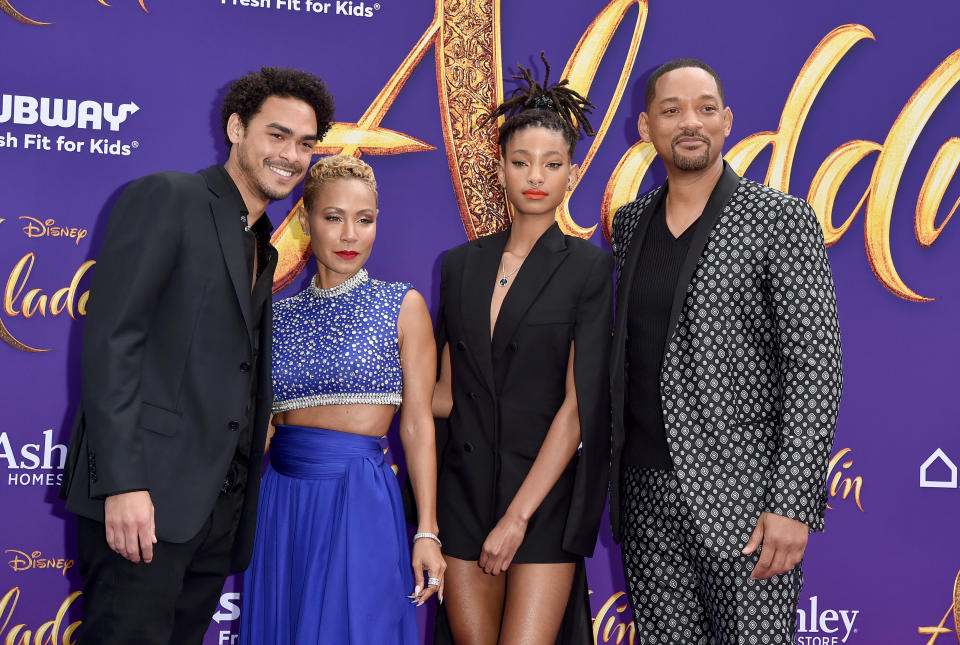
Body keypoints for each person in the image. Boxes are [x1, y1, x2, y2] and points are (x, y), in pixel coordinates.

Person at [58, 67, 335, 645]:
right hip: (144, 501)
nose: (291, 155)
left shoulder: (260, 239)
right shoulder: (170, 197)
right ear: (237, 128)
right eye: (277, 135)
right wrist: (122, 484)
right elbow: (114, 345)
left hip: (213, 512)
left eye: (305, 143)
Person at [609, 57, 843, 644]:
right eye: (672, 109)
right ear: (646, 127)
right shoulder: (629, 223)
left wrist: (792, 501)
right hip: (646, 497)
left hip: (747, 502)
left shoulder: (779, 219)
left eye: (705, 108)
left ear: (727, 121)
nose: (691, 121)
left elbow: (816, 365)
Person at [431, 54, 613, 644]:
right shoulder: (460, 266)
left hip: (541, 503)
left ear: (570, 173)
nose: (536, 174)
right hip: (462, 494)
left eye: (552, 163)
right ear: (500, 168)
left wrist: (517, 517)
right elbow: (442, 393)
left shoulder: (588, 268)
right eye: (521, 161)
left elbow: (577, 406)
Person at [239, 154, 444, 644]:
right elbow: (262, 428)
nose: (350, 235)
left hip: (361, 501)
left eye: (364, 219)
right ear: (306, 221)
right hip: (282, 499)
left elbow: (417, 425)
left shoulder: (402, 305)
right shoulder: (277, 315)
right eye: (334, 218)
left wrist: (428, 530)